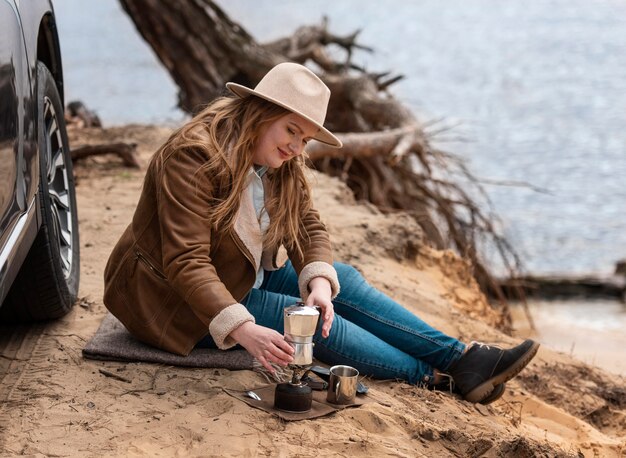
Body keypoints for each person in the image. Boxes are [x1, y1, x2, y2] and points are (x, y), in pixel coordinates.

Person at [103, 62, 538, 405]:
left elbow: (307, 224)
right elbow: (186, 262)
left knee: (341, 283)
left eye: (305, 137)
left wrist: (318, 280)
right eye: (291, 129)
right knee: (304, 319)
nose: (296, 147)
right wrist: (243, 330)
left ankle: (463, 360)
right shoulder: (193, 157)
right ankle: (435, 379)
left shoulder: (280, 159)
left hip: (237, 269)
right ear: (260, 112)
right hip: (170, 299)